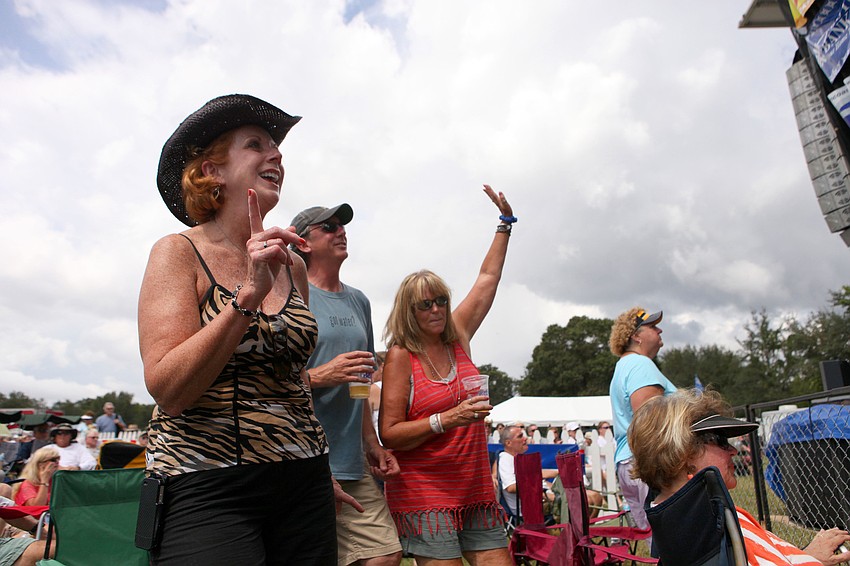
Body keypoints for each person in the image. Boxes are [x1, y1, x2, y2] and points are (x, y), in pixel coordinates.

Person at [139, 94, 358, 565]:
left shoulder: (292, 265)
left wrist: (322, 467)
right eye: (256, 144)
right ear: (212, 171)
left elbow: (294, 378)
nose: (276, 154)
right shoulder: (177, 253)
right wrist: (248, 298)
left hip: (303, 480)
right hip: (206, 482)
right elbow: (169, 388)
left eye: (277, 149)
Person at [380, 185, 515, 566]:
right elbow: (389, 432)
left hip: (473, 486)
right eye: (427, 304)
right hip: (425, 491)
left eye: (441, 300)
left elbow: (488, 278)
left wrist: (505, 224)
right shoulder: (401, 357)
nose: (437, 309)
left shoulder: (458, 335)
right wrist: (446, 419)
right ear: (410, 311)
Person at [289, 203, 402, 566]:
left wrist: (371, 443)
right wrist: (322, 375)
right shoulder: (288, 295)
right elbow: (267, 383)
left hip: (351, 460)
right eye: (330, 226)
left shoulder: (359, 300)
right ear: (303, 243)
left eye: (343, 226)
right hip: (300, 458)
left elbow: (361, 381)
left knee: (385, 554)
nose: (341, 231)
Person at [629, 389, 850, 566]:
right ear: (683, 453)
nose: (733, 451)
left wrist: (808, 555)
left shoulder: (677, 515)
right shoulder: (714, 524)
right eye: (720, 440)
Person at [608, 307, 677, 531]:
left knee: (657, 541)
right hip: (648, 465)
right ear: (635, 335)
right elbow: (651, 422)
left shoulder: (624, 366)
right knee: (675, 539)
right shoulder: (640, 365)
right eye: (652, 326)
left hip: (630, 463)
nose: (660, 330)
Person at [496, 425, 558, 517]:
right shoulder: (506, 459)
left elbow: (533, 477)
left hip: (539, 499)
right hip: (530, 507)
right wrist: (539, 481)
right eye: (520, 436)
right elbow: (511, 487)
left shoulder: (515, 459)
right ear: (508, 443)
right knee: (582, 499)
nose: (525, 438)